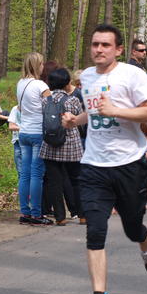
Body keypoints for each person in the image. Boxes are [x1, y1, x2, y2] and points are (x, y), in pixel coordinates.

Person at [63, 23, 147, 294]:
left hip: (129, 165)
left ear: (118, 49)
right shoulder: (87, 77)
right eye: (95, 44)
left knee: (132, 228)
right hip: (94, 166)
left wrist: (116, 110)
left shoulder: (132, 75)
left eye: (105, 45)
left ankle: (145, 242)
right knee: (95, 230)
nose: (99, 49)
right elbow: (95, 111)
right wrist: (75, 120)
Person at [39, 68, 83, 226]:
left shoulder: (45, 101)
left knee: (54, 182)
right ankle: (83, 215)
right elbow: (79, 119)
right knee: (76, 180)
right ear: (67, 83)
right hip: (71, 145)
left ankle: (60, 217)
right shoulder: (73, 101)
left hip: (50, 145)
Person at [16, 52, 52, 225]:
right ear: (38, 65)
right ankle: (36, 213)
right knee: (37, 174)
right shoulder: (41, 85)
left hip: (23, 132)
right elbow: (51, 109)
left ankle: (25, 212)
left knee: (25, 174)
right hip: (38, 132)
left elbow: (20, 108)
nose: (43, 66)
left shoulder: (20, 84)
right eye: (42, 63)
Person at [7, 103, 22, 176]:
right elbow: (11, 126)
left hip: (31, 141)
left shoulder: (34, 107)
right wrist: (25, 128)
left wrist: (18, 126)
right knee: (20, 168)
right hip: (18, 140)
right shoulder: (15, 109)